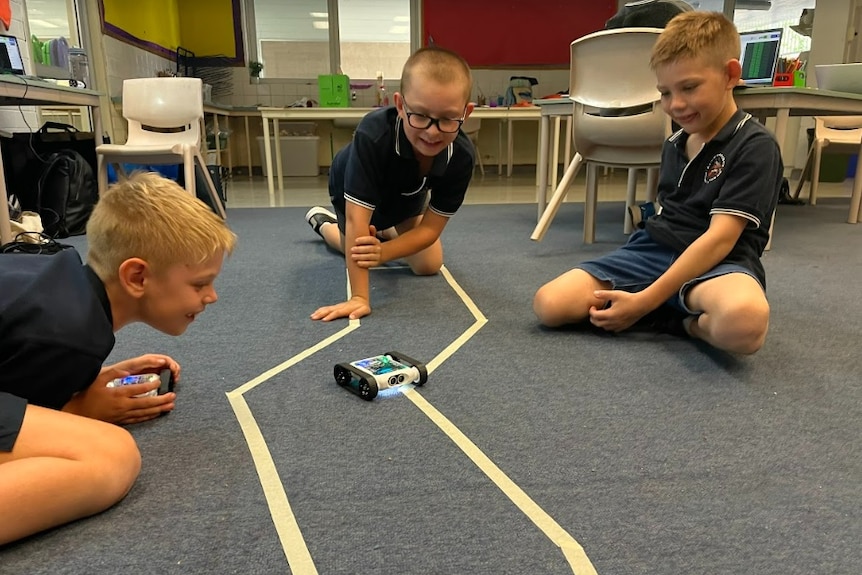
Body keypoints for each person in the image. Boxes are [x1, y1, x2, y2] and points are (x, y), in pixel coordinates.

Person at [0, 172, 236, 544]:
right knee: (112, 454)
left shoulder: (63, 286)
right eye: (199, 284)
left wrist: (85, 382)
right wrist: (79, 410)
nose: (211, 296)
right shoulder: (71, 336)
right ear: (137, 277)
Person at [533, 11, 783, 355]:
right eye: (665, 92)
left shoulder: (755, 145)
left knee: (744, 323)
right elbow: (667, 215)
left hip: (721, 263)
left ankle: (676, 320)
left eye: (690, 88)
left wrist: (643, 302)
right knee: (550, 305)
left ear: (730, 75)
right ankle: (666, 304)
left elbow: (719, 240)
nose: (675, 104)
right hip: (654, 251)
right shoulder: (674, 143)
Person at [305, 46, 476, 321]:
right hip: (351, 187)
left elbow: (431, 229)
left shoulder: (462, 156)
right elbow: (356, 219)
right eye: (419, 115)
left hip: (406, 193)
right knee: (357, 245)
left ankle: (381, 235)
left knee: (429, 264)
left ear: (465, 114)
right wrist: (360, 297)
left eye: (446, 119)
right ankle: (325, 225)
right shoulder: (373, 135)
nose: (432, 132)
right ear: (399, 105)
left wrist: (383, 251)